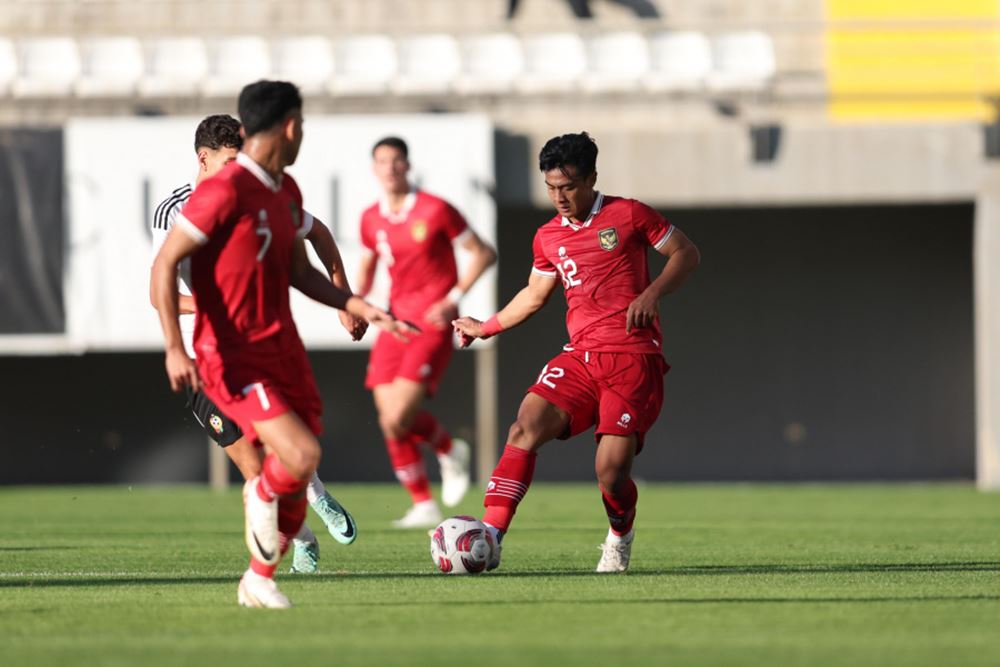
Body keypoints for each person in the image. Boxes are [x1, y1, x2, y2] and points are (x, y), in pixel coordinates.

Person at [151, 81, 415, 608]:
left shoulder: (284, 190)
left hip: (282, 347)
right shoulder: (218, 194)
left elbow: (299, 271)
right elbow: (162, 268)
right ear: (289, 127)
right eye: (302, 124)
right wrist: (174, 348)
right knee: (297, 455)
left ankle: (262, 562)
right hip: (229, 354)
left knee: (296, 465)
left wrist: (352, 302)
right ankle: (261, 562)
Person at [453, 131, 699, 573]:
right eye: (550, 188)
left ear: (591, 179)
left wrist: (652, 294)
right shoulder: (547, 237)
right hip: (580, 357)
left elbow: (686, 253)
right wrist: (485, 327)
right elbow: (534, 295)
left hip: (633, 358)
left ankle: (619, 534)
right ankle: (490, 534)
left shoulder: (628, 214)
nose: (558, 197)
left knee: (611, 470)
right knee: (525, 425)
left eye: (567, 187)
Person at [356, 136, 497, 528]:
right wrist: (357, 302)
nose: (390, 168)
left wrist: (454, 297)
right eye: (382, 161)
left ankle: (450, 450)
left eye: (396, 160)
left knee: (400, 413)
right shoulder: (371, 217)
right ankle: (424, 503)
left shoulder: (435, 209)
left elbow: (484, 253)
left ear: (407, 165)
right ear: (374, 168)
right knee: (390, 422)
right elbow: (367, 267)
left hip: (431, 324)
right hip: (393, 322)